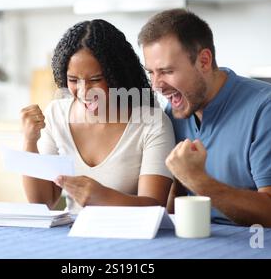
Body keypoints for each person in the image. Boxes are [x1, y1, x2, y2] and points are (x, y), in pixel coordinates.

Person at [138, 8, 271, 230]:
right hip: (203, 242)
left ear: (203, 61)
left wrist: (198, 180)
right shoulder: (176, 112)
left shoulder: (268, 109)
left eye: (167, 71)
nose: (156, 85)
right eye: (151, 72)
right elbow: (175, 206)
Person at [21, 19, 174, 214]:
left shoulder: (152, 123)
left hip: (131, 238)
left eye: (95, 80)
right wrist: (29, 141)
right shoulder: (56, 115)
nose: (84, 91)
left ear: (116, 75)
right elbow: (43, 202)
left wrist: (103, 197)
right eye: (73, 80)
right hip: (74, 237)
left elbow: (154, 207)